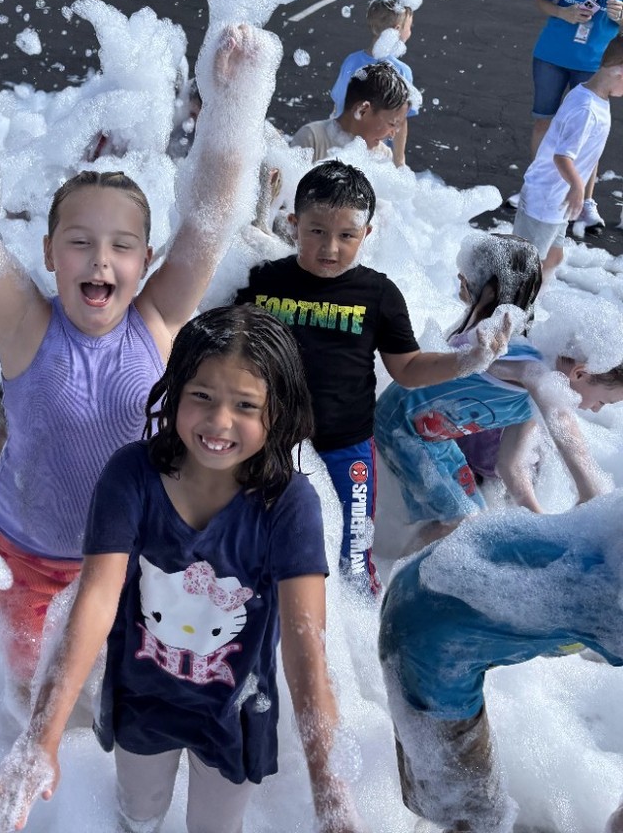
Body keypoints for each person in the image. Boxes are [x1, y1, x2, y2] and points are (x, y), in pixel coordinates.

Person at [0, 21, 283, 694]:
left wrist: (231, 106)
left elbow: (208, 226)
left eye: (121, 246)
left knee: (124, 693)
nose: (100, 260)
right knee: (33, 694)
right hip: (30, 559)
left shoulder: (157, 320)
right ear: (49, 254)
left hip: (136, 556)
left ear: (145, 260)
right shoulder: (28, 326)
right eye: (80, 242)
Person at [0, 305, 364, 833]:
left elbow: (305, 645)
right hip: (143, 699)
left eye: (246, 405)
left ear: (279, 412)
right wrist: (41, 736)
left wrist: (329, 786)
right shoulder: (132, 475)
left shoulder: (288, 504)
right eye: (201, 396)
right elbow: (96, 599)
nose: (219, 421)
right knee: (139, 812)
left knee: (215, 828)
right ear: (174, 390)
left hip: (234, 708)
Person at [235, 162, 511, 596]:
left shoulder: (377, 294)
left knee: (354, 552)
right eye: (316, 231)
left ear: (366, 233)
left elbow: (408, 368)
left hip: (347, 445)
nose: (330, 247)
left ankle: (357, 622)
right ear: (293, 224)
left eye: (347, 235)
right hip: (269, 437)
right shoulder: (263, 281)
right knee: (254, 537)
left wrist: (468, 361)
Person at [379, 495, 623, 833]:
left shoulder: (610, 532)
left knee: (467, 808)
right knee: (474, 818)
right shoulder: (611, 599)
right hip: (427, 641)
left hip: (425, 576)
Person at [374, 233, 614, 547]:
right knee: (461, 520)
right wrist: (591, 493)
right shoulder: (523, 359)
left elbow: (511, 466)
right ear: (581, 373)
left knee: (474, 513)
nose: (596, 409)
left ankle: (397, 554)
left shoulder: (532, 395)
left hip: (432, 437)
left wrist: (539, 521)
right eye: (604, 401)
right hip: (401, 425)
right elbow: (561, 418)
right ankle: (392, 564)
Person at [510, 0, 623, 228]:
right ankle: (536, 189)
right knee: (544, 124)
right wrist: (564, 12)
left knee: (588, 136)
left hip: (594, 62)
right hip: (552, 55)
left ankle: (585, 202)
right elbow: (542, 0)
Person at [513, 34, 623, 282]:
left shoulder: (592, 96)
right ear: (619, 71)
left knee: (553, 258)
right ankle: (509, 301)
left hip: (558, 200)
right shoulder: (586, 109)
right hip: (546, 198)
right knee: (524, 263)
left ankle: (534, 299)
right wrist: (577, 186)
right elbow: (562, 156)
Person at [330, 0, 417, 167]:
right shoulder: (401, 71)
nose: (410, 31)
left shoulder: (351, 61)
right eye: (409, 26)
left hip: (345, 145)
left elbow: (338, 106)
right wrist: (399, 160)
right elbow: (400, 122)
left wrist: (331, 139)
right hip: (378, 153)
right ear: (397, 29)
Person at [292, 62, 410, 166]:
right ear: (362, 110)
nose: (393, 134)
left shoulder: (383, 155)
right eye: (392, 123)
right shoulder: (313, 139)